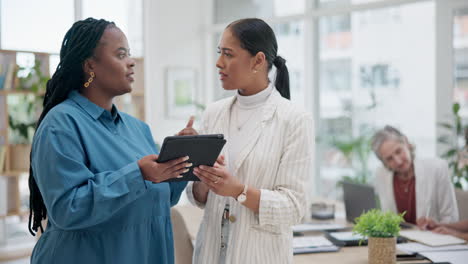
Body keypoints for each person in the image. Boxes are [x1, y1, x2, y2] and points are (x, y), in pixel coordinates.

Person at [28, 18, 190, 264]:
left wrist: (181, 162)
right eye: (121, 54)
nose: (131, 62)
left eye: (130, 54)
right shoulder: (61, 124)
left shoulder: (138, 129)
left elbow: (159, 198)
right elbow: (67, 209)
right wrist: (138, 174)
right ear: (90, 65)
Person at [177, 18, 314, 264]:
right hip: (210, 254)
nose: (219, 63)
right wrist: (198, 166)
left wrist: (239, 191)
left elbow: (295, 207)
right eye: (220, 53)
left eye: (228, 54)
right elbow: (198, 197)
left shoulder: (294, 119)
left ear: (258, 60)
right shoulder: (214, 113)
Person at [371, 125, 458, 225]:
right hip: (400, 238)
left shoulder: (437, 168)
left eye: (398, 151)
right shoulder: (381, 174)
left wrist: (436, 227)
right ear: (383, 162)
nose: (398, 161)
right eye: (389, 159)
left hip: (432, 237)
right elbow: (386, 216)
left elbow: (450, 217)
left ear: (406, 143)